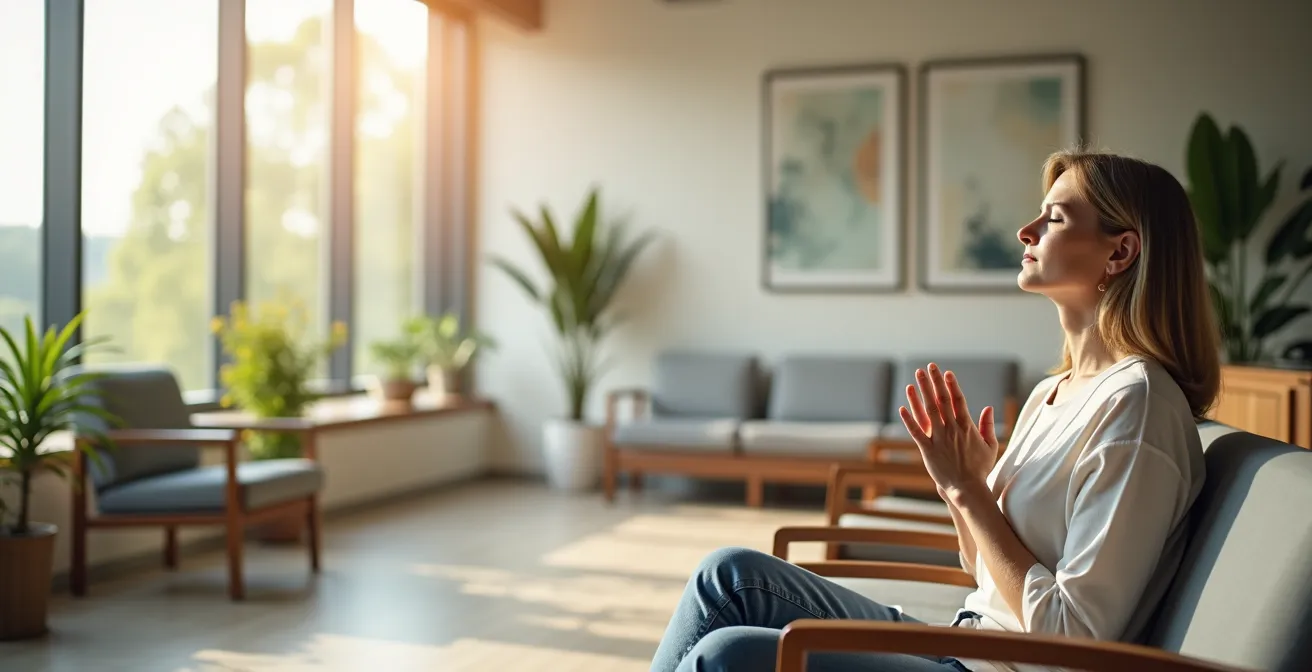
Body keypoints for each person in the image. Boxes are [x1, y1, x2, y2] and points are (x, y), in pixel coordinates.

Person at [648, 149, 1222, 672]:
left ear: (1120, 252)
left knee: (728, 656)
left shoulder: (1136, 407)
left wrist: (972, 492)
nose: (1026, 230)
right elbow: (983, 572)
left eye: (1055, 218)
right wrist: (958, 487)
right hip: (966, 638)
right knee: (727, 577)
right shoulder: (1055, 392)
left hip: (1000, 668)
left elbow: (1073, 639)